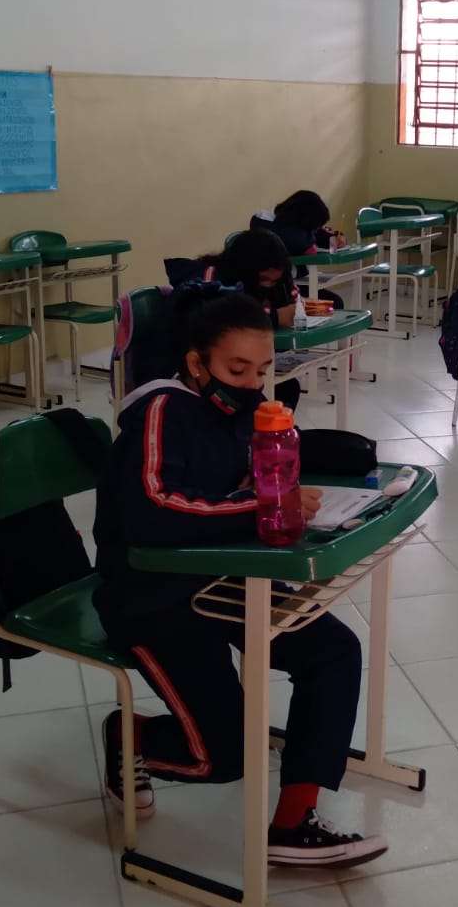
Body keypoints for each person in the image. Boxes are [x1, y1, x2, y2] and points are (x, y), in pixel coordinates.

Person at [91, 291, 386, 868]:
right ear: (196, 363)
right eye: (236, 369)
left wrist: (283, 487)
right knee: (226, 757)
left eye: (261, 370)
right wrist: (263, 507)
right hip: (152, 596)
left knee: (332, 651)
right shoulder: (160, 412)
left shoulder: (241, 412)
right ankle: (131, 737)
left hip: (223, 577)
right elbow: (155, 512)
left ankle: (293, 824)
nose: (252, 384)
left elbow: (242, 486)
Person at [165, 229, 302, 409]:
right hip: (185, 373)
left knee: (287, 388)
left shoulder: (249, 283)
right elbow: (211, 324)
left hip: (213, 370)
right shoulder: (205, 285)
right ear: (245, 269)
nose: (268, 286)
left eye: (261, 372)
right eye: (263, 279)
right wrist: (275, 317)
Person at [250, 190, 346, 309]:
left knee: (334, 304)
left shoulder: (302, 226)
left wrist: (337, 238)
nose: (312, 232)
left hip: (296, 285)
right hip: (274, 293)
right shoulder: (265, 222)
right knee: (324, 308)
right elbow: (297, 240)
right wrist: (310, 244)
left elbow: (322, 236)